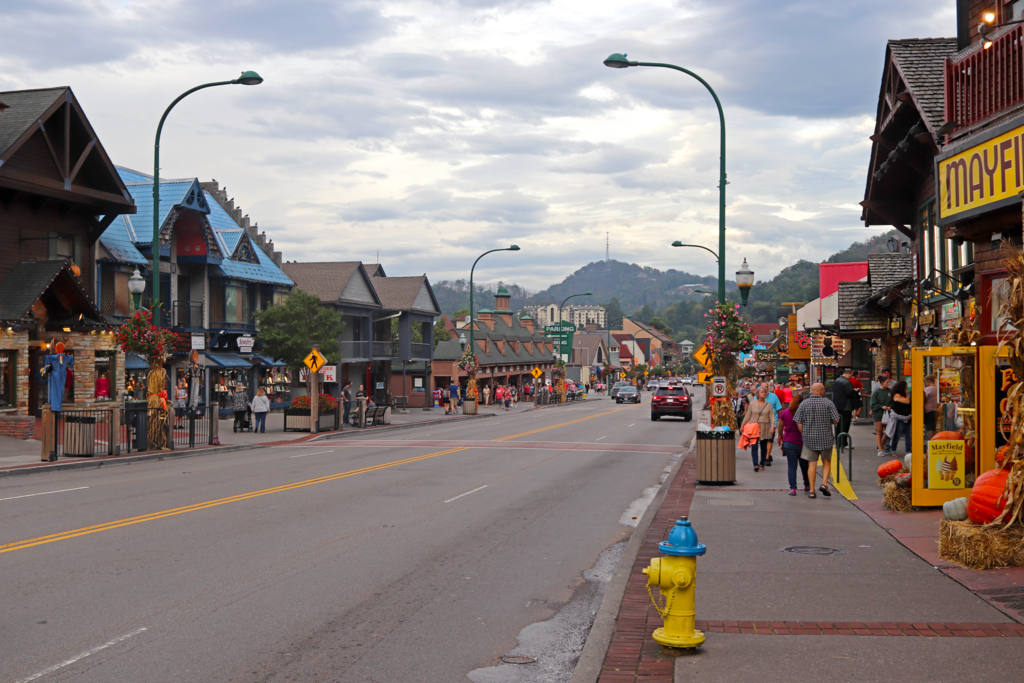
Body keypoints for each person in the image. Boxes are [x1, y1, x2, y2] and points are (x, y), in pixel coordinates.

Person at [793, 382, 841, 498]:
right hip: (826, 438)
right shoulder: (828, 403)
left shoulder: (804, 404)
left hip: (809, 439)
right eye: (823, 390)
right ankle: (824, 484)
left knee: (812, 464)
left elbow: (798, 421)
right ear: (820, 391)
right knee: (826, 461)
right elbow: (836, 420)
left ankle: (812, 490)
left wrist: (803, 432)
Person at [777, 393, 809, 496]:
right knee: (805, 466)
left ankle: (793, 488)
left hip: (789, 442)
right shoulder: (804, 412)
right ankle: (806, 485)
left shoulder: (786, 412)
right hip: (802, 442)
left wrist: (780, 437)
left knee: (791, 466)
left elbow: (780, 427)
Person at [742, 387, 776, 472]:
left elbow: (772, 416)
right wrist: (742, 425)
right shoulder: (752, 404)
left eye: (765, 392)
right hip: (754, 427)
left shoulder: (768, 405)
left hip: (765, 426)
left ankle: (762, 463)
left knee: (764, 446)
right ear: (757, 393)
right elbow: (748, 415)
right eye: (762, 392)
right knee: (754, 446)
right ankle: (755, 464)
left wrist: (773, 426)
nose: (764, 393)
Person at [886, 380, 912, 455]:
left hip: (907, 417)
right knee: (897, 435)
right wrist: (907, 394)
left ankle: (908, 451)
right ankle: (893, 450)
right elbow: (907, 401)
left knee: (908, 435)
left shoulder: (905, 395)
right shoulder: (896, 395)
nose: (907, 389)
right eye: (906, 387)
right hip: (899, 417)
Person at [869, 376, 893, 457]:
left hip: (888, 414)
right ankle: (880, 449)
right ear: (882, 382)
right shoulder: (876, 392)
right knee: (879, 431)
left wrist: (890, 406)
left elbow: (893, 401)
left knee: (887, 432)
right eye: (887, 382)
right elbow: (873, 404)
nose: (888, 383)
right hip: (879, 414)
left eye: (889, 382)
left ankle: (881, 447)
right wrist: (881, 406)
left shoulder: (890, 391)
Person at [831, 368, 857, 441]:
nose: (851, 377)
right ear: (848, 374)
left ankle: (838, 441)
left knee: (839, 424)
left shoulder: (837, 381)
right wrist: (854, 391)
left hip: (837, 405)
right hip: (846, 406)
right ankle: (843, 442)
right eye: (851, 375)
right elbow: (850, 393)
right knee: (845, 425)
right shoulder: (846, 382)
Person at [763, 383, 783, 466]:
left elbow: (779, 409)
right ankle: (766, 455)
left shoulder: (774, 396)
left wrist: (781, 421)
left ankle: (767, 458)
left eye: (767, 387)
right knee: (763, 441)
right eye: (764, 388)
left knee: (769, 440)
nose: (765, 389)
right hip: (761, 423)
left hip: (772, 423)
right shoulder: (757, 397)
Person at [923, 374, 938, 439]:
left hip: (928, 410)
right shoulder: (937, 388)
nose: (925, 383)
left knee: (929, 429)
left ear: (928, 381)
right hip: (936, 410)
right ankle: (934, 442)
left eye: (925, 382)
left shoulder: (928, 389)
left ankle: (930, 443)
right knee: (934, 428)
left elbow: (923, 398)